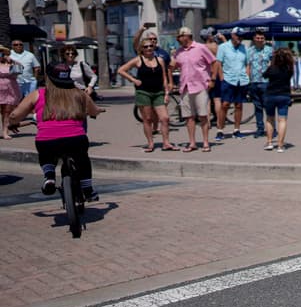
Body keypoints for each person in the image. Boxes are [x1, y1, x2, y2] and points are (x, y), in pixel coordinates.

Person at [9, 62, 102, 199]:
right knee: (82, 158)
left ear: (47, 76)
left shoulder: (38, 94)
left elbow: (14, 115)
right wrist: (97, 111)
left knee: (45, 153)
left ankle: (49, 177)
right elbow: (94, 110)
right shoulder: (79, 94)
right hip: (76, 139)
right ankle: (88, 188)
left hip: (47, 141)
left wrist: (13, 124)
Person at [117, 36, 178, 152]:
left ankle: (166, 143)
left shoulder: (159, 60)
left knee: (165, 118)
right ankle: (150, 143)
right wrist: (133, 80)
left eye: (151, 46)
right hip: (144, 92)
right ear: (142, 49)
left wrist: (166, 93)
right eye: (146, 47)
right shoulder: (138, 60)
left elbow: (164, 77)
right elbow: (121, 70)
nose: (149, 48)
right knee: (148, 119)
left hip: (158, 92)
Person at [170, 26, 217, 152]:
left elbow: (214, 62)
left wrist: (212, 79)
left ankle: (206, 142)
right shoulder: (178, 52)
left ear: (188, 36)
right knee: (188, 116)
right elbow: (172, 67)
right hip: (185, 87)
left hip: (201, 85)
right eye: (178, 37)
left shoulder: (201, 48)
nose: (178, 39)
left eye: (180, 36)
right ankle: (192, 143)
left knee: (203, 115)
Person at [216, 27, 250, 139]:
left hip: (241, 80)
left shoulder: (244, 48)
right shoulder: (223, 47)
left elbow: (247, 64)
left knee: (239, 105)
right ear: (232, 35)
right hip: (228, 79)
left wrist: (247, 77)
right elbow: (219, 63)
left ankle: (236, 130)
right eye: (238, 35)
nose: (240, 38)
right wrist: (221, 78)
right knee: (225, 105)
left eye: (242, 36)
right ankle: (220, 130)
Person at [261, 47, 295, 153]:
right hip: (284, 96)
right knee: (282, 120)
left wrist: (269, 65)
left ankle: (270, 142)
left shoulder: (272, 68)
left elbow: (264, 75)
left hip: (270, 95)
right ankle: (280, 145)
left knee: (270, 119)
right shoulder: (289, 69)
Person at [247, 31, 273, 139]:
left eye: (262, 38)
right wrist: (247, 81)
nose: (260, 40)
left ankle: (272, 129)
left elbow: (272, 65)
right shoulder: (249, 51)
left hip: (266, 82)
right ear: (254, 39)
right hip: (253, 82)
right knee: (257, 107)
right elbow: (248, 66)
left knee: (268, 107)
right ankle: (260, 129)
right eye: (258, 38)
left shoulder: (269, 50)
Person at [0, 46, 22, 138]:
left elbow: (21, 69)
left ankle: (5, 132)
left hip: (10, 89)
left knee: (6, 112)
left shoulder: (10, 63)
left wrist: (13, 61)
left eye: (1, 52)